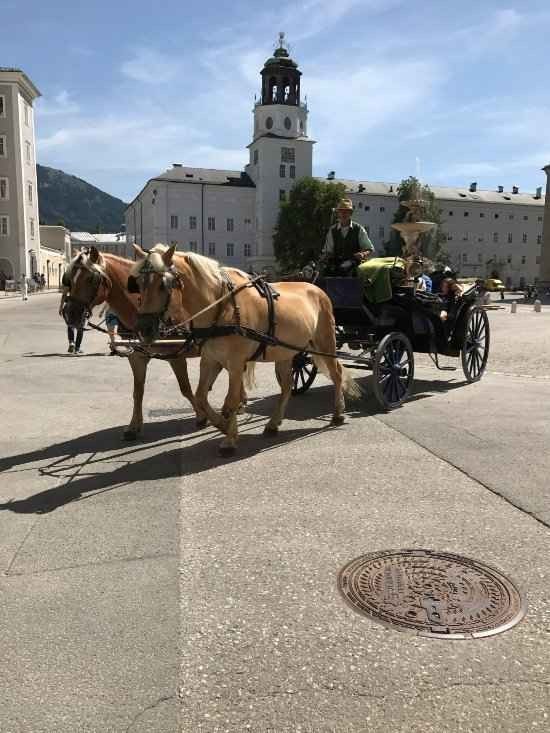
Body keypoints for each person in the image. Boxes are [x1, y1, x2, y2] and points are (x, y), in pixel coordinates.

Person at [322, 198, 374, 275]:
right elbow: (328, 252)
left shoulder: (359, 229)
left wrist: (363, 254)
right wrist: (325, 257)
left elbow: (370, 249)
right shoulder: (332, 230)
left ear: (350, 213)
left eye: (346, 211)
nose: (343, 214)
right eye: (341, 211)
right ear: (338, 213)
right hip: (336, 267)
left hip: (354, 267)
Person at [59, 284, 84, 354]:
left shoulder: (70, 281)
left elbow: (64, 295)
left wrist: (61, 307)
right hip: (80, 307)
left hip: (69, 306)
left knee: (70, 325)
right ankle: (77, 348)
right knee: (80, 328)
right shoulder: (84, 283)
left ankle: (71, 342)